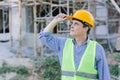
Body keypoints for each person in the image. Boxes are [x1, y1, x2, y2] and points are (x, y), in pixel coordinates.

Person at [39, 9, 111, 80]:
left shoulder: (97, 49)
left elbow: (105, 76)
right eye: (72, 23)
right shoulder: (63, 44)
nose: (72, 26)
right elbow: (44, 36)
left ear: (86, 28)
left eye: (76, 24)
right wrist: (55, 20)